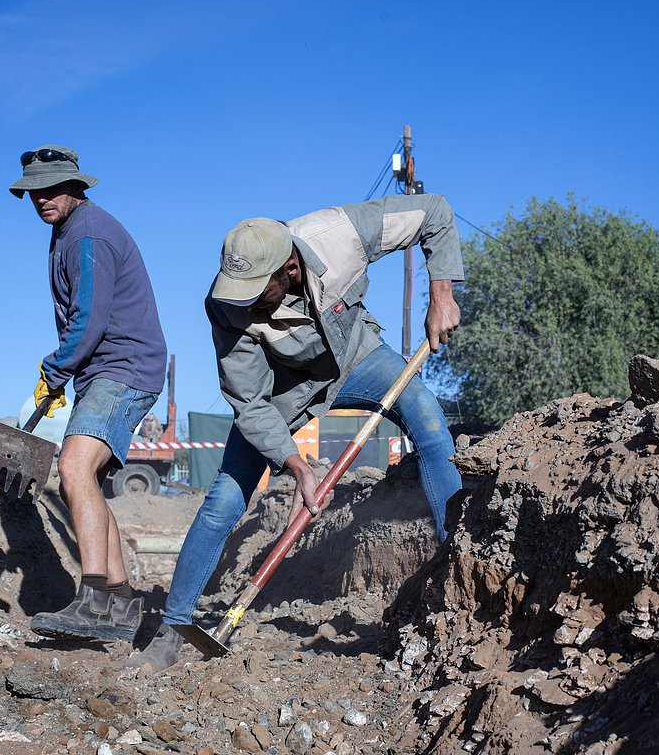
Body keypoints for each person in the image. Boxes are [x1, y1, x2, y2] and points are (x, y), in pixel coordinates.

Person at [127, 193, 465, 669]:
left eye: (253, 291)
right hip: (279, 393)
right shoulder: (226, 305)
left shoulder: (340, 235)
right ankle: (172, 627)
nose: (240, 304)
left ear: (288, 268)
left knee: (429, 420)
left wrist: (442, 296)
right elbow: (249, 400)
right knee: (224, 498)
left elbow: (434, 213)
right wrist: (296, 464)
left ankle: (459, 563)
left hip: (356, 359)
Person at [9, 145, 168, 643]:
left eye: (50, 188)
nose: (40, 199)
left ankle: (94, 599)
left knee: (74, 469)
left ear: (76, 186)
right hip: (105, 370)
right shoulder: (67, 232)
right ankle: (120, 605)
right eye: (33, 192)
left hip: (123, 367)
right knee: (88, 482)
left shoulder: (88, 232)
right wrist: (64, 374)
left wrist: (56, 368)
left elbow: (90, 316)